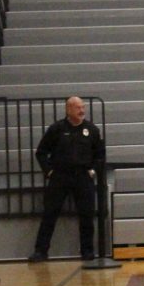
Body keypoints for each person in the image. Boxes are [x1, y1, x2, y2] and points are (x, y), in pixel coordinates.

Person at [29, 96, 105, 261]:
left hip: (83, 177)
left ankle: (87, 251)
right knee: (50, 213)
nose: (82, 110)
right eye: (78, 107)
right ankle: (40, 251)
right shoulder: (56, 129)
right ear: (68, 109)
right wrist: (49, 172)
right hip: (60, 176)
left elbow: (100, 156)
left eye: (83, 107)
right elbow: (41, 152)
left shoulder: (92, 130)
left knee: (86, 215)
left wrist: (92, 171)